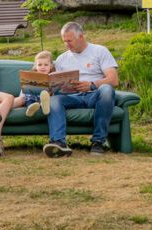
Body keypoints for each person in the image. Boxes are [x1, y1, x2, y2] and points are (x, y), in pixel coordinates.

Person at [43, 22, 119, 157]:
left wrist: (92, 85)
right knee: (54, 100)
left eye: (70, 41)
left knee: (107, 89)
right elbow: (57, 84)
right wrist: (51, 88)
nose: (67, 45)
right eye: (64, 41)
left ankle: (98, 142)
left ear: (81, 37)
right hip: (72, 97)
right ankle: (59, 143)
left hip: (95, 94)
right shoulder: (61, 59)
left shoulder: (99, 51)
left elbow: (113, 79)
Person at [18, 50, 53, 117]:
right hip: (33, 98)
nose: (43, 67)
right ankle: (30, 109)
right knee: (29, 99)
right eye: (39, 65)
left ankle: (43, 106)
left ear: (50, 66)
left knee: (48, 98)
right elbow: (23, 91)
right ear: (36, 66)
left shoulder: (52, 76)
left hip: (47, 98)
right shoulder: (32, 76)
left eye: (46, 65)